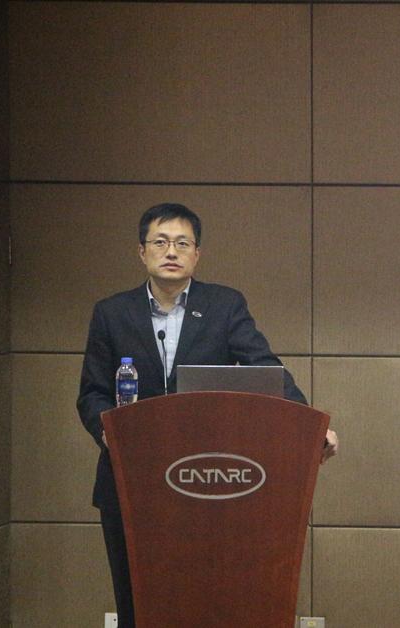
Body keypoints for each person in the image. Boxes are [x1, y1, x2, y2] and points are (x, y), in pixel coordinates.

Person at [77, 203, 338, 627]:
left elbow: (265, 369)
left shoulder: (224, 306)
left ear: (197, 254)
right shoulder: (112, 313)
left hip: (207, 485)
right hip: (130, 480)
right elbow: (92, 393)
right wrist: (110, 433)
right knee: (137, 604)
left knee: (208, 601)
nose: (171, 252)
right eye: (160, 242)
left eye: (183, 243)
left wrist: (310, 427)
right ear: (141, 252)